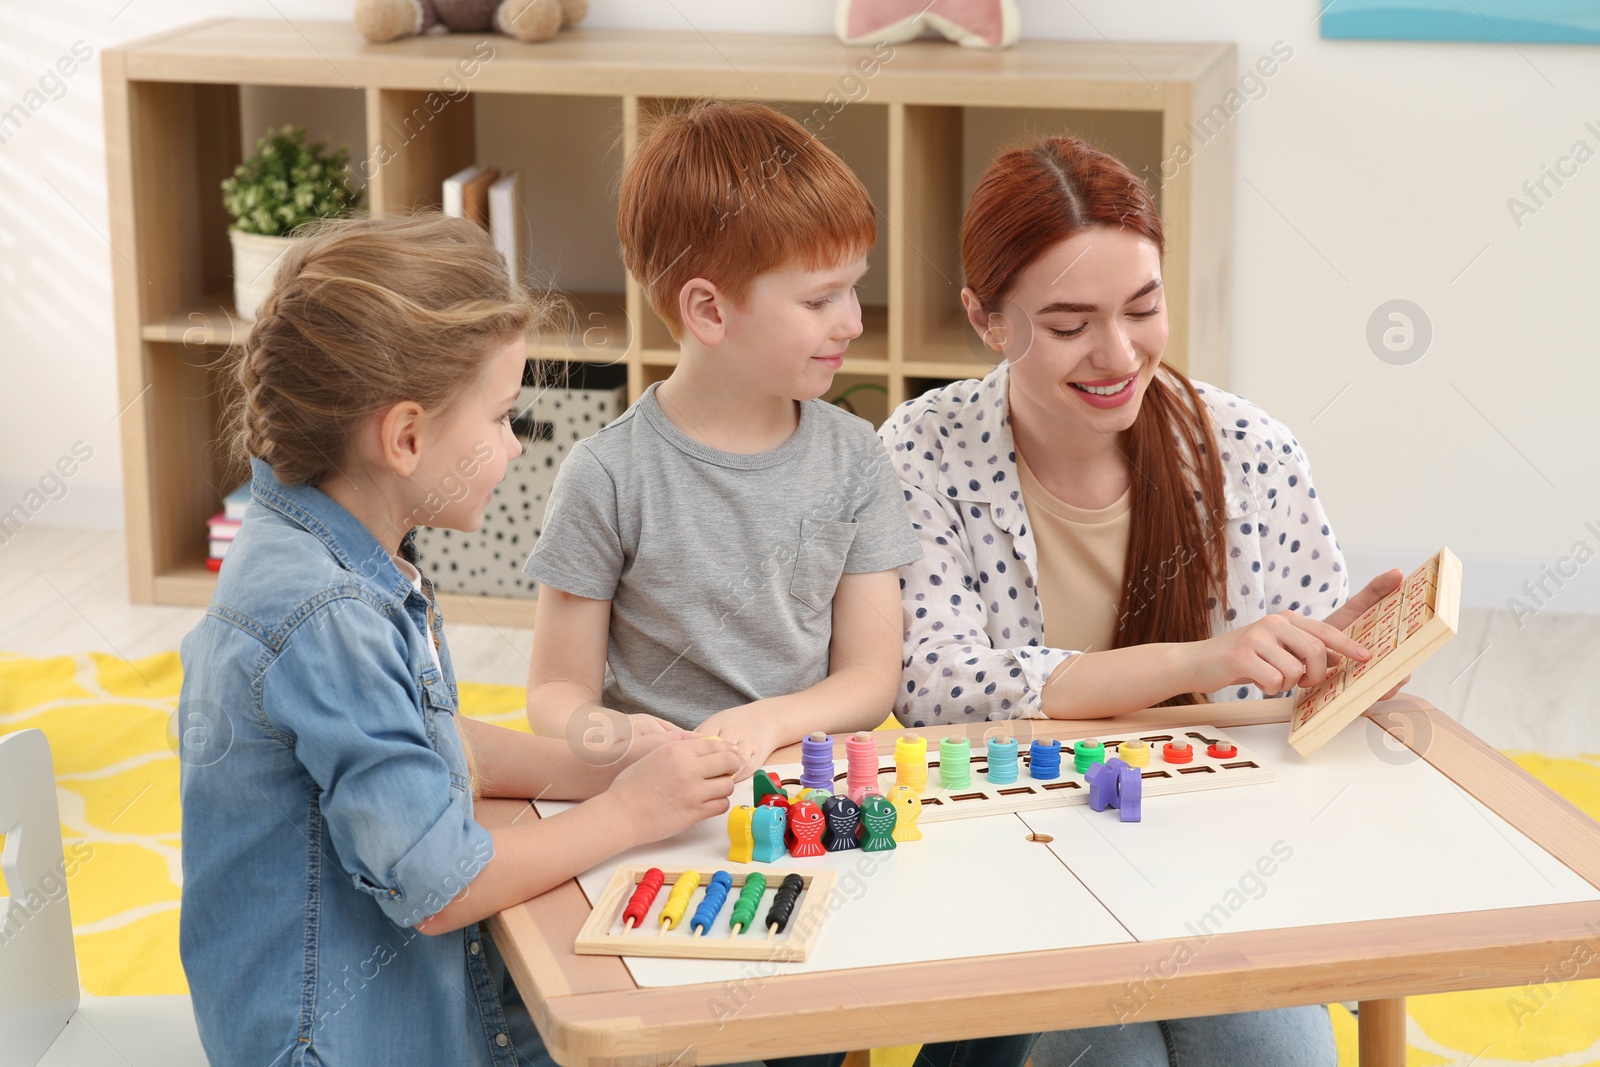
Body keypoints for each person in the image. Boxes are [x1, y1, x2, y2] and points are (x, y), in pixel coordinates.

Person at [523, 99, 1038, 1067]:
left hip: (809, 820)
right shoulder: (606, 475)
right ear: (708, 310)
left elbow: (871, 677)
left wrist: (769, 724)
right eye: (819, 298)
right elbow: (553, 695)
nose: (852, 319)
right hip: (659, 835)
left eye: (856, 288)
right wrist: (624, 739)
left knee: (991, 980)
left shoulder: (855, 460)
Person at [881, 134, 1407, 1063]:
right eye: (1070, 322)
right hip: (1014, 872)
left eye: (1143, 307)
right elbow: (934, 685)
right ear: (986, 318)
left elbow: (1295, 742)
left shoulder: (1248, 451)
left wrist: (1342, 670)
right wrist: (1205, 661)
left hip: (1217, 868)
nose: (1118, 353)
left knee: (1274, 1051)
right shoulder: (922, 452)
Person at [177, 213, 739, 1067]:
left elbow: (417, 738)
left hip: (411, 1005)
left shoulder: (328, 543)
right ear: (406, 437)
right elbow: (441, 883)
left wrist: (595, 768)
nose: (518, 446)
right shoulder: (326, 612)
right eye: (505, 416)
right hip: (349, 1046)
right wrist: (633, 809)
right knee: (690, 1033)